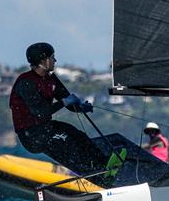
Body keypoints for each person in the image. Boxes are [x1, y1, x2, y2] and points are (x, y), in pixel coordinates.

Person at [9, 42, 108, 177]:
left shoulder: (51, 79)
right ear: (43, 60)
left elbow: (67, 101)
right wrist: (64, 102)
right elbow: (41, 112)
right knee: (68, 142)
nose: (55, 60)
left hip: (46, 128)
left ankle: (104, 164)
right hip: (31, 135)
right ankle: (94, 173)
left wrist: (81, 107)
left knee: (78, 135)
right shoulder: (26, 82)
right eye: (52, 57)